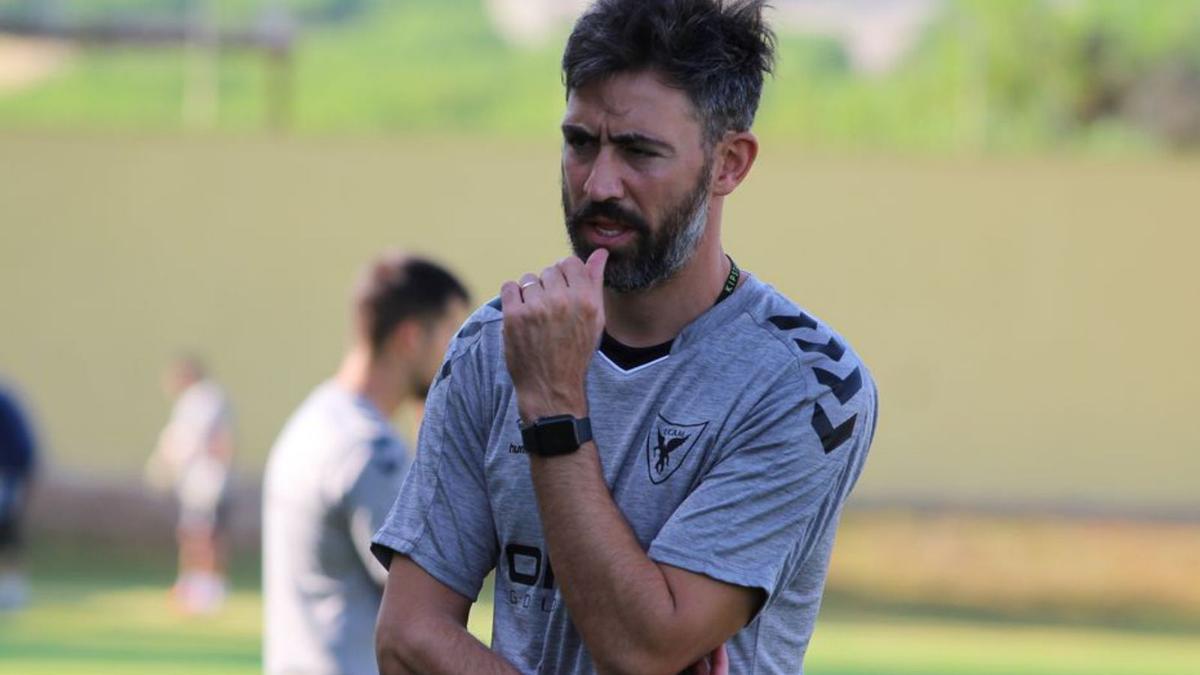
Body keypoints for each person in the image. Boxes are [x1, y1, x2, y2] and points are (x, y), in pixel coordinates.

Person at [371, 0, 879, 673]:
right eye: (580, 142)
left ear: (729, 163)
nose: (599, 183)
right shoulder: (495, 343)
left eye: (639, 151)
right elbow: (405, 637)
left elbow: (643, 646)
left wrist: (553, 407)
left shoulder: (804, 382)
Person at [262, 253, 469, 675]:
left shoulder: (313, 420)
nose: (461, 356)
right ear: (410, 337)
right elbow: (425, 596)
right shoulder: (371, 451)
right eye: (452, 334)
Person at [144, 356, 236, 614]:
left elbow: (196, 440)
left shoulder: (205, 400)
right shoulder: (194, 402)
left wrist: (167, 462)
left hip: (208, 482)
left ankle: (210, 586)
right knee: (191, 533)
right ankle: (191, 582)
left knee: (207, 535)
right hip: (195, 483)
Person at [0, 382, 38, 611]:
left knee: (8, 532)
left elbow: (22, 449)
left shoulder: (4, 403)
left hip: (8, 474)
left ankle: (13, 588)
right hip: (11, 473)